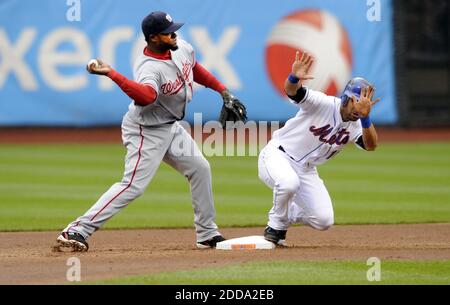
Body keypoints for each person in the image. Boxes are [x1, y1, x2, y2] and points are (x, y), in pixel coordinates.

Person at [55, 11, 239, 251]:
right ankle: (77, 229)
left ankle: (207, 233)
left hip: (171, 126)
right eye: (167, 32)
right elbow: (147, 96)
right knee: (133, 185)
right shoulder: (148, 67)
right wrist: (112, 73)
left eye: (174, 29)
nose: (174, 34)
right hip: (146, 130)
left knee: (200, 169)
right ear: (153, 38)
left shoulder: (180, 46)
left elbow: (194, 68)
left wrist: (222, 90)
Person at [258, 51, 380, 246]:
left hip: (306, 169)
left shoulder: (358, 123)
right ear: (346, 99)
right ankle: (276, 227)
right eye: (356, 103)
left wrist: (366, 118)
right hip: (277, 155)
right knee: (288, 183)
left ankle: (286, 212)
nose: (359, 109)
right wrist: (294, 77)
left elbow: (371, 146)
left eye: (363, 105)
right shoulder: (323, 103)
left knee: (324, 220)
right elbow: (293, 91)